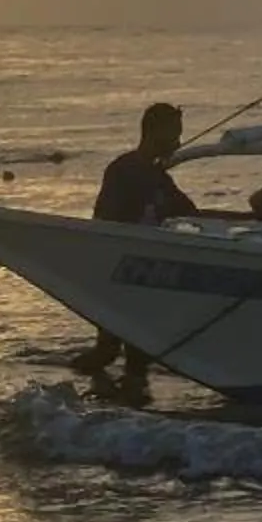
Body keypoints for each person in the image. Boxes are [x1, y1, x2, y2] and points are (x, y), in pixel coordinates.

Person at [67, 101, 196, 392]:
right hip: (117, 270)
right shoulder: (123, 170)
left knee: (125, 355)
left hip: (143, 273)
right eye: (173, 134)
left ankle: (113, 399)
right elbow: (106, 221)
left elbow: (190, 212)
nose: (178, 142)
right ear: (154, 131)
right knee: (117, 352)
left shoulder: (160, 177)